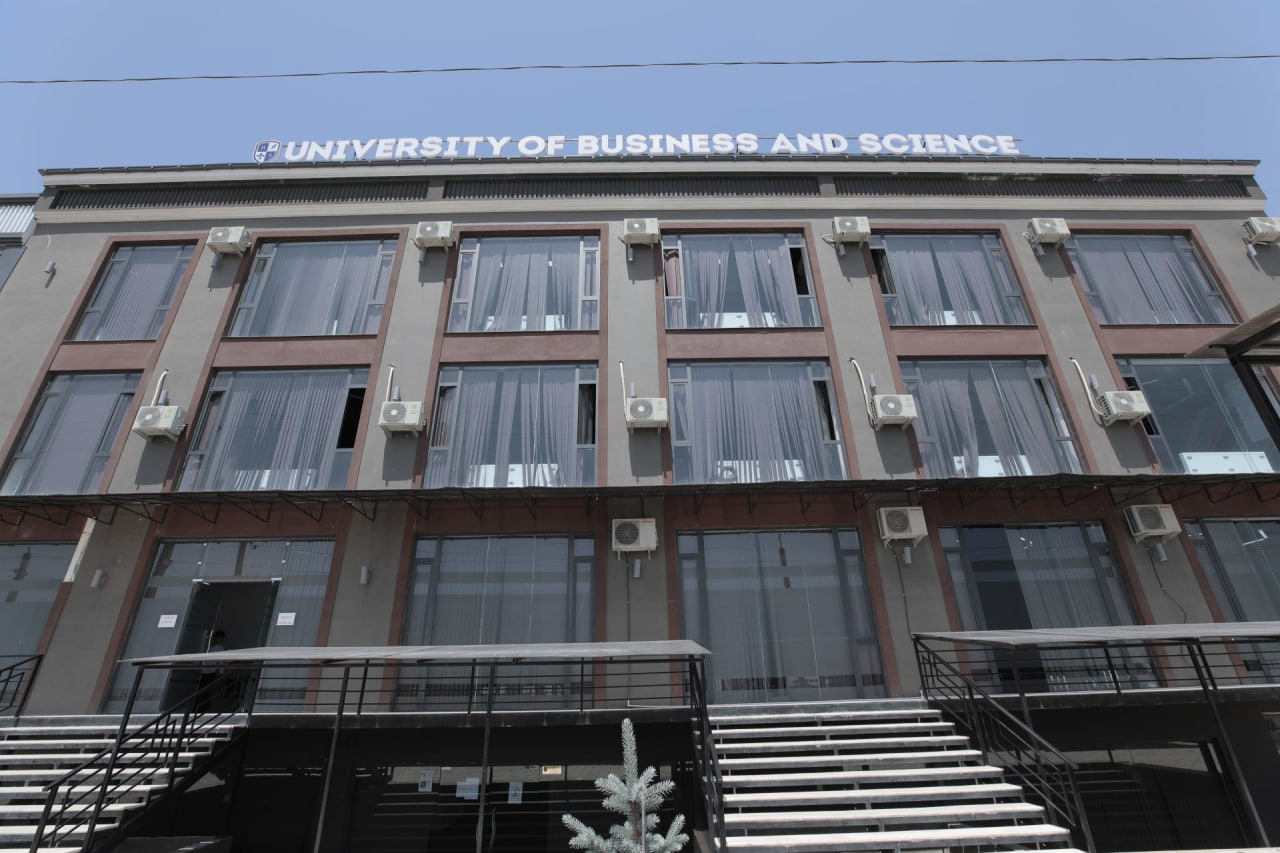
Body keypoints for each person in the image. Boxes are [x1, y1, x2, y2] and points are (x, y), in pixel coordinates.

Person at [195, 630, 226, 712]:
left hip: (211, 672)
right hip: (202, 671)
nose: (219, 640)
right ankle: (200, 706)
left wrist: (220, 673)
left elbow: (220, 661)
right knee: (199, 689)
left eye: (221, 639)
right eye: (218, 638)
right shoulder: (208, 646)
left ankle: (203, 707)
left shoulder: (220, 648)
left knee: (206, 690)